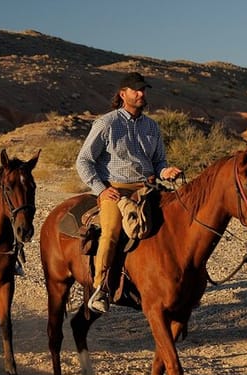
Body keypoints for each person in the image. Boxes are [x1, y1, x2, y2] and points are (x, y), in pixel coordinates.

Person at [76, 72, 182, 314]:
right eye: (136, 90)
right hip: (116, 188)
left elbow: (159, 161)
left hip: (147, 185)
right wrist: (102, 190)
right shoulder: (106, 123)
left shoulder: (151, 126)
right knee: (111, 231)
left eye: (143, 89)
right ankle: (100, 288)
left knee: (176, 222)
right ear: (123, 94)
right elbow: (84, 161)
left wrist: (166, 171)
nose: (141, 94)